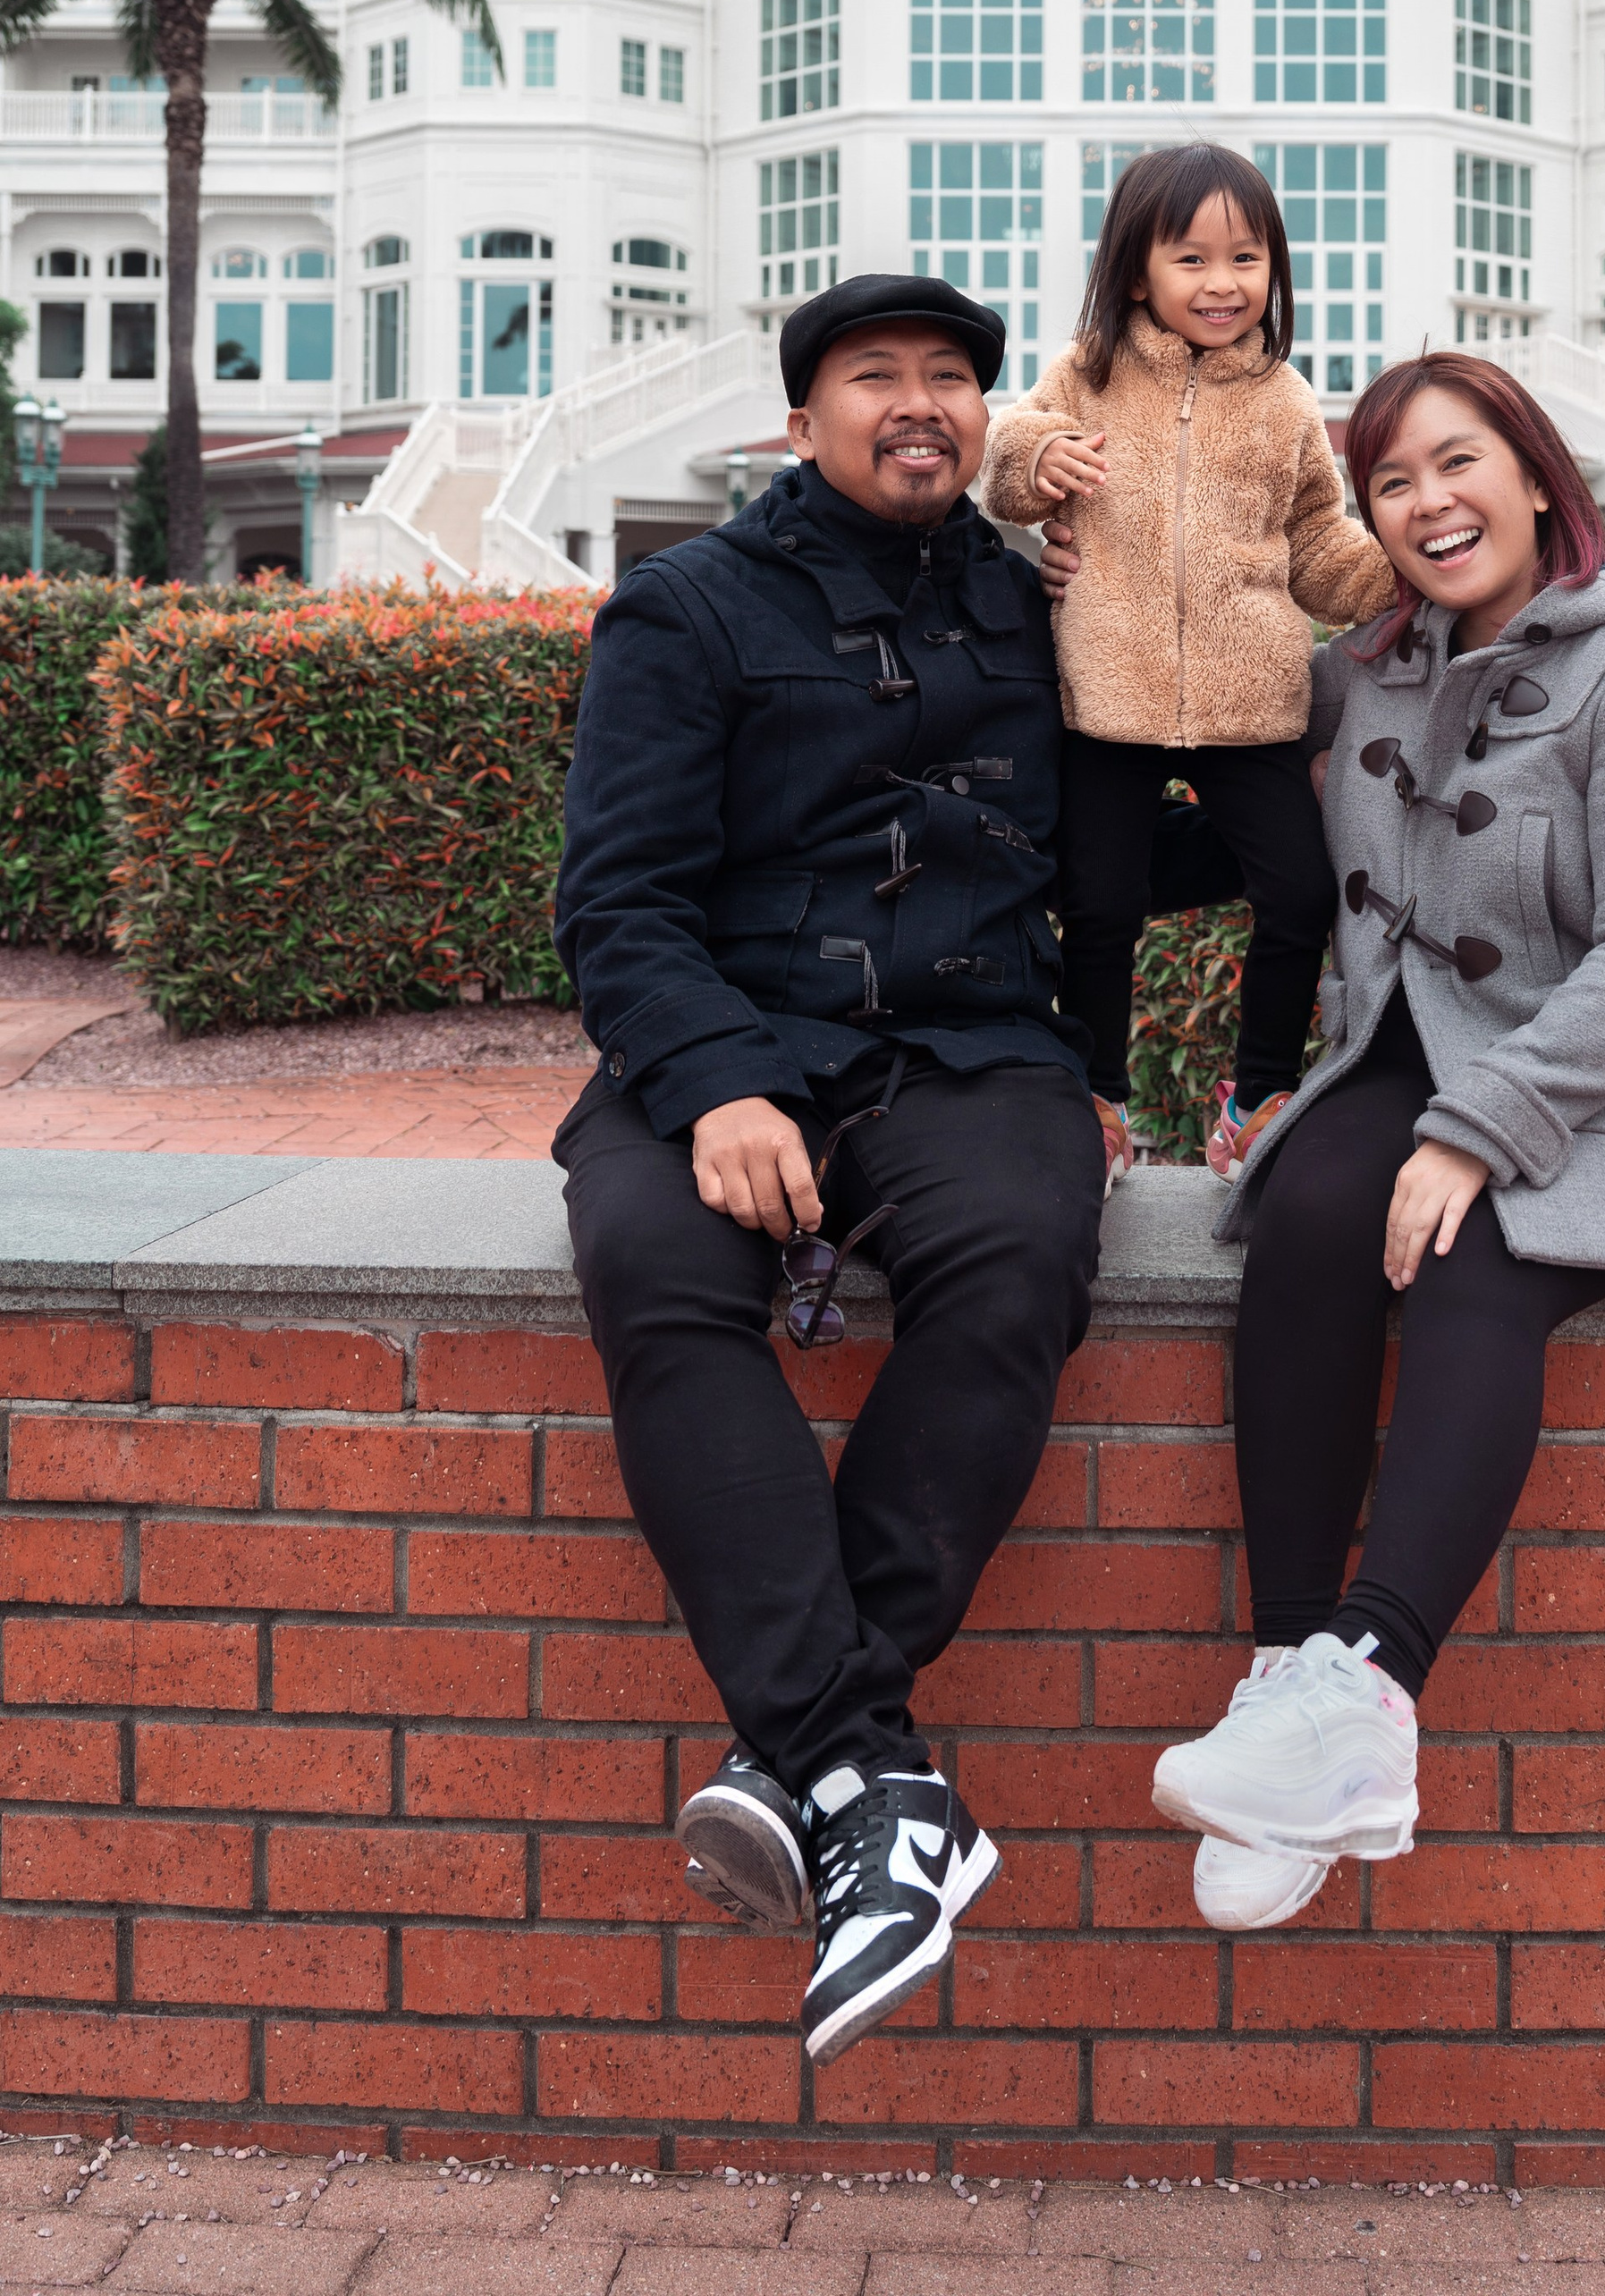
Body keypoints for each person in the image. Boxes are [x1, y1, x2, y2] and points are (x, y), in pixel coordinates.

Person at [1148, 351, 1605, 1934]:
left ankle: (1369, 1685)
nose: (1428, 503)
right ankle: (1294, 1686)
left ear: (1531, 471)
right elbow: (1214, 774)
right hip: (1422, 1042)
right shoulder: (1374, 660)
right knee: (1307, 1208)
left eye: (1458, 463)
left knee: (1472, 1253)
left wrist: (1476, 1135)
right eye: (1391, 480)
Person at [552, 275, 1109, 2069]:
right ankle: (870, 1763)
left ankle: (816, 1763)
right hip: (724, 1045)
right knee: (657, 1276)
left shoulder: (1037, 609)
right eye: (877, 378)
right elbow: (616, 902)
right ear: (801, 422)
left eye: (952, 377)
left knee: (1021, 1262)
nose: (920, 404)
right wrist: (712, 1085)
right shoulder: (687, 607)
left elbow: (1155, 822)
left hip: (966, 1060)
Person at [980, 143, 1394, 1173]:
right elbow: (1001, 463)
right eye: (1192, 259)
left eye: (1245, 259)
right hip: (1107, 699)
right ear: (1136, 273)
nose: (1223, 284)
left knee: (1300, 894)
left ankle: (1256, 1098)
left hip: (1251, 699)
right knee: (1099, 907)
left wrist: (1401, 577)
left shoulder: (1286, 399)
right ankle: (1099, 1099)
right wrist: (1037, 459)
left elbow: (1316, 541)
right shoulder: (1087, 374)